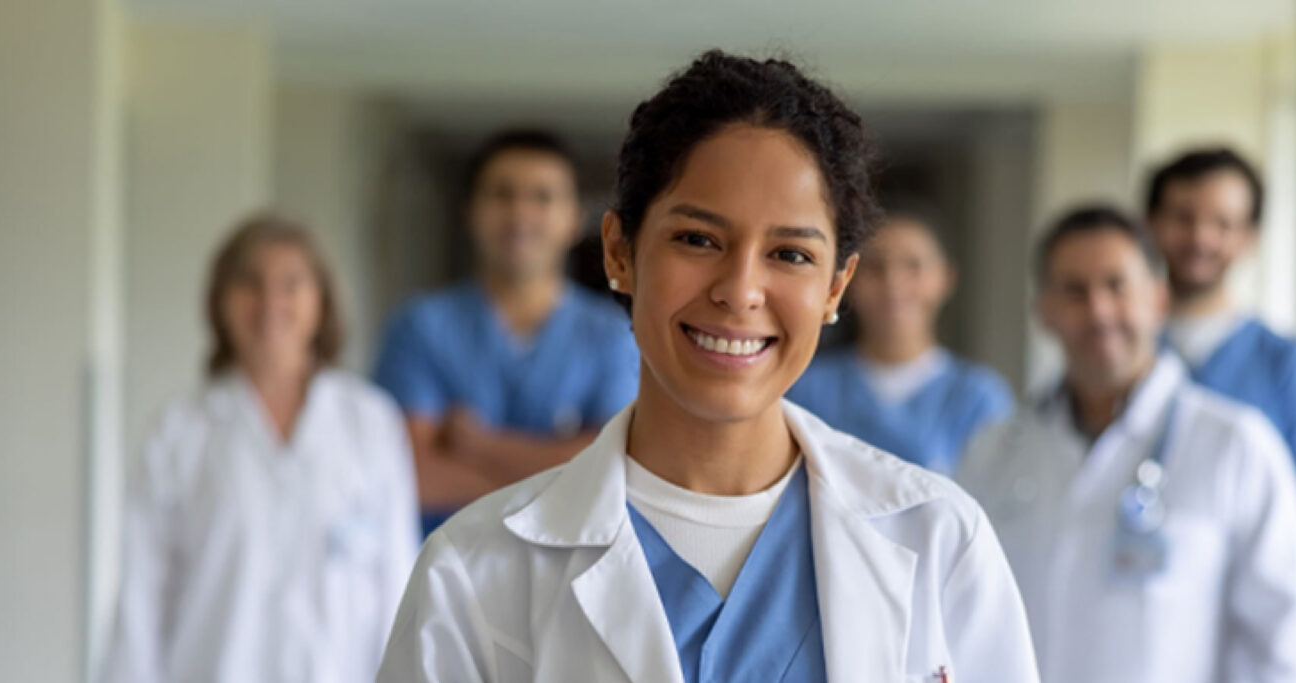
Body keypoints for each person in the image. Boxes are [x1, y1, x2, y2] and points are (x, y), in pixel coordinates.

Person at [378, 51, 1038, 683]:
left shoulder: (939, 539)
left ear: (836, 287)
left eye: (791, 254)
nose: (740, 290)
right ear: (619, 252)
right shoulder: (473, 569)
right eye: (698, 239)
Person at [958, 206, 1296, 683]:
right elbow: (963, 615)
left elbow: (1284, 639)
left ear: (1159, 299)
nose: (1099, 311)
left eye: (1117, 286)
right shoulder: (993, 451)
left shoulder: (1237, 446)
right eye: (1074, 291)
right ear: (1042, 311)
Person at [108, 216, 418, 683]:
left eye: (291, 284)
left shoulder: (370, 423)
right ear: (220, 300)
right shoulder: (179, 431)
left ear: (322, 300)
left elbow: (397, 580)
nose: (270, 302)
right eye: (250, 283)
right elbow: (140, 596)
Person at [373, 128, 641, 536]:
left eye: (542, 197)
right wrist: (556, 477)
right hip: (445, 561)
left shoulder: (613, 336)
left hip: (572, 566)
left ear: (575, 219)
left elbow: (616, 468)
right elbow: (411, 472)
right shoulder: (420, 327)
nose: (520, 215)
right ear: (469, 211)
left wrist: (477, 445)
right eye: (502, 195)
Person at [1143, 148, 1296, 548]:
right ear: (1150, 223)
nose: (1200, 237)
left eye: (1222, 223)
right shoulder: (1121, 354)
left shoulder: (1288, 364)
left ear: (1249, 237)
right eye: (1183, 217)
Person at [786, 215, 1013, 474]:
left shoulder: (979, 399)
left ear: (946, 278)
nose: (893, 284)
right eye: (875, 267)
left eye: (913, 266)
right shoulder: (804, 387)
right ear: (848, 279)